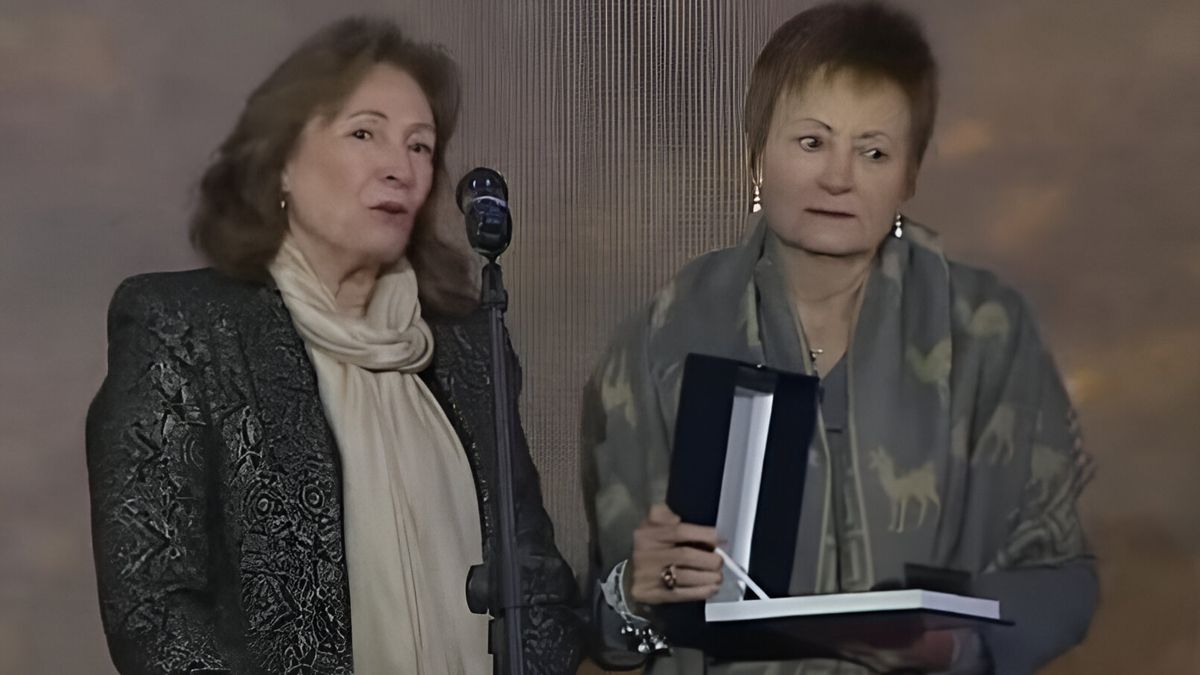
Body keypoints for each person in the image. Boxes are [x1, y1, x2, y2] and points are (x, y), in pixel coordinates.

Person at [581, 2, 1096, 673]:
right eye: (812, 141)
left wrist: (962, 640)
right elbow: (602, 627)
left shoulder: (986, 334)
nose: (839, 177)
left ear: (909, 174)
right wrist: (631, 595)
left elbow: (1064, 581)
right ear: (756, 153)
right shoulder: (657, 343)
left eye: (874, 150)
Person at [86, 17, 581, 674]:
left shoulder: (469, 349)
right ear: (283, 158)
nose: (399, 168)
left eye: (420, 146)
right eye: (364, 133)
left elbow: (536, 588)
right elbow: (154, 606)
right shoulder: (185, 330)